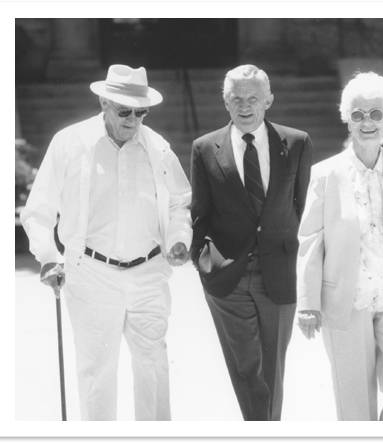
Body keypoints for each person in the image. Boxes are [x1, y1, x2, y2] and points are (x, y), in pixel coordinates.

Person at [20, 64, 192, 421]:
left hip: (148, 271)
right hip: (91, 272)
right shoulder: (70, 143)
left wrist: (178, 238)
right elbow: (39, 209)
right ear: (103, 102)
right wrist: (49, 257)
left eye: (141, 112)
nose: (134, 120)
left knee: (153, 366)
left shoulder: (158, 147)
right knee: (97, 371)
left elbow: (179, 201)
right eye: (125, 111)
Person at [296, 72, 383, 421]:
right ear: (346, 118)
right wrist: (309, 304)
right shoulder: (326, 174)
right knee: (354, 407)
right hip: (346, 304)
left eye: (375, 114)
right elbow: (311, 241)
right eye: (357, 114)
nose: (366, 122)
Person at [190, 64, 313, 421]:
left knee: (272, 366)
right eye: (236, 98)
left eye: (253, 98)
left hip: (280, 271)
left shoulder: (297, 142)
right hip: (227, 276)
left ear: (269, 100)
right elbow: (200, 214)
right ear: (225, 103)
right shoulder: (203, 148)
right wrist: (204, 263)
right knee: (246, 367)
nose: (245, 106)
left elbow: (303, 208)